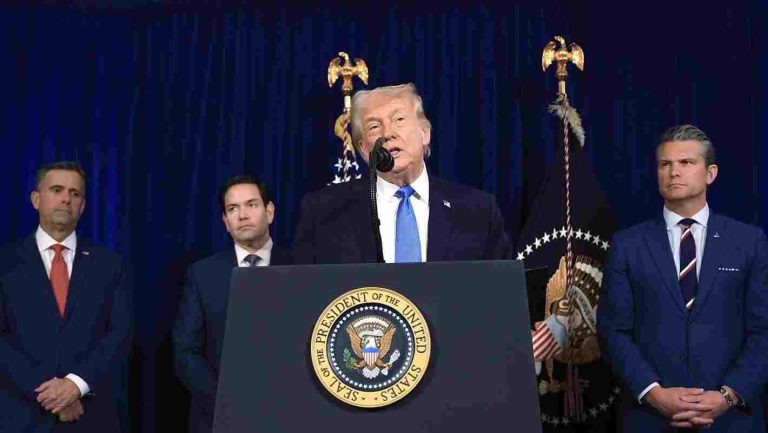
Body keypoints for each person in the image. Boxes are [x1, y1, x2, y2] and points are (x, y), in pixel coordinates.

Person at [597, 125, 768, 432]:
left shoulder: (749, 241)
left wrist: (727, 396)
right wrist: (654, 393)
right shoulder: (627, 245)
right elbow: (614, 331)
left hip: (731, 420)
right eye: (665, 164)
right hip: (650, 419)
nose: (674, 172)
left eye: (686, 162)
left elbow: (763, 331)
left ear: (711, 173)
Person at [293, 83, 511, 264]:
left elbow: (502, 291)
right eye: (374, 126)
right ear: (364, 149)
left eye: (399, 120)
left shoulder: (478, 211)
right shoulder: (323, 212)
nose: (388, 133)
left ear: (425, 133)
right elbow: (304, 292)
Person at [0, 161, 133, 431]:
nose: (66, 199)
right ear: (36, 199)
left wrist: (76, 385)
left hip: (92, 415)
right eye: (57, 190)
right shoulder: (5, 262)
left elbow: (121, 332)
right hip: (20, 415)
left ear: (82, 206)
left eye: (75, 193)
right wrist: (53, 396)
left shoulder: (111, 264)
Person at [173, 175, 291, 433]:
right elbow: (186, 352)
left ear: (269, 212)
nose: (242, 215)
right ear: (226, 222)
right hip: (220, 417)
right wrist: (227, 402)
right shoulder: (202, 274)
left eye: (251, 205)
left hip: (289, 414)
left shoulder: (302, 266)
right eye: (233, 209)